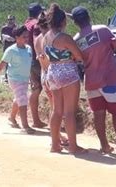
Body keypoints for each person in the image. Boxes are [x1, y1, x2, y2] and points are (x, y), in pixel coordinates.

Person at [72, 6, 116, 154]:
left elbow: (77, 58)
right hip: (111, 79)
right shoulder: (103, 30)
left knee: (98, 114)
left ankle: (104, 145)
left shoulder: (76, 40)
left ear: (75, 23)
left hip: (91, 81)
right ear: (89, 17)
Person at [44, 3, 86, 154]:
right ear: (63, 22)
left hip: (52, 72)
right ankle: (73, 146)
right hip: (67, 72)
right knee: (69, 112)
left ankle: (55, 145)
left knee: (56, 111)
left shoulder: (46, 37)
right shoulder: (65, 38)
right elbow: (79, 56)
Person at [34, 12, 68, 146]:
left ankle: (56, 135)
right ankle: (57, 137)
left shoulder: (37, 39)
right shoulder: (50, 38)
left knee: (54, 107)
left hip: (45, 75)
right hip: (53, 75)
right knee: (57, 109)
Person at [0, 26, 36, 134]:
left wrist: (32, 78)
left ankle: (12, 118)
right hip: (15, 79)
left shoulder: (28, 48)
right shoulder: (11, 50)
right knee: (23, 99)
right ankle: (25, 126)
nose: (26, 39)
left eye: (27, 36)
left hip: (24, 79)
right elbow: (1, 65)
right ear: (17, 37)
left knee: (19, 98)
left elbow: (29, 65)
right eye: (24, 37)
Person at [24, 3, 46, 128]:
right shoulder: (36, 24)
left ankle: (35, 119)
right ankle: (37, 120)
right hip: (38, 60)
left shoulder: (26, 24)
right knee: (44, 89)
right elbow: (39, 41)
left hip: (28, 60)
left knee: (35, 88)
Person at [0, 15, 17, 82]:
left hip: (14, 46)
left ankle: (13, 76)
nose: (10, 21)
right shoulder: (4, 28)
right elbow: (0, 37)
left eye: (11, 19)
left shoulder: (16, 28)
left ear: (14, 20)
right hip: (6, 47)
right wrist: (1, 39)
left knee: (14, 62)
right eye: (9, 19)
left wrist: (13, 39)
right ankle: (6, 76)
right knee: (6, 61)